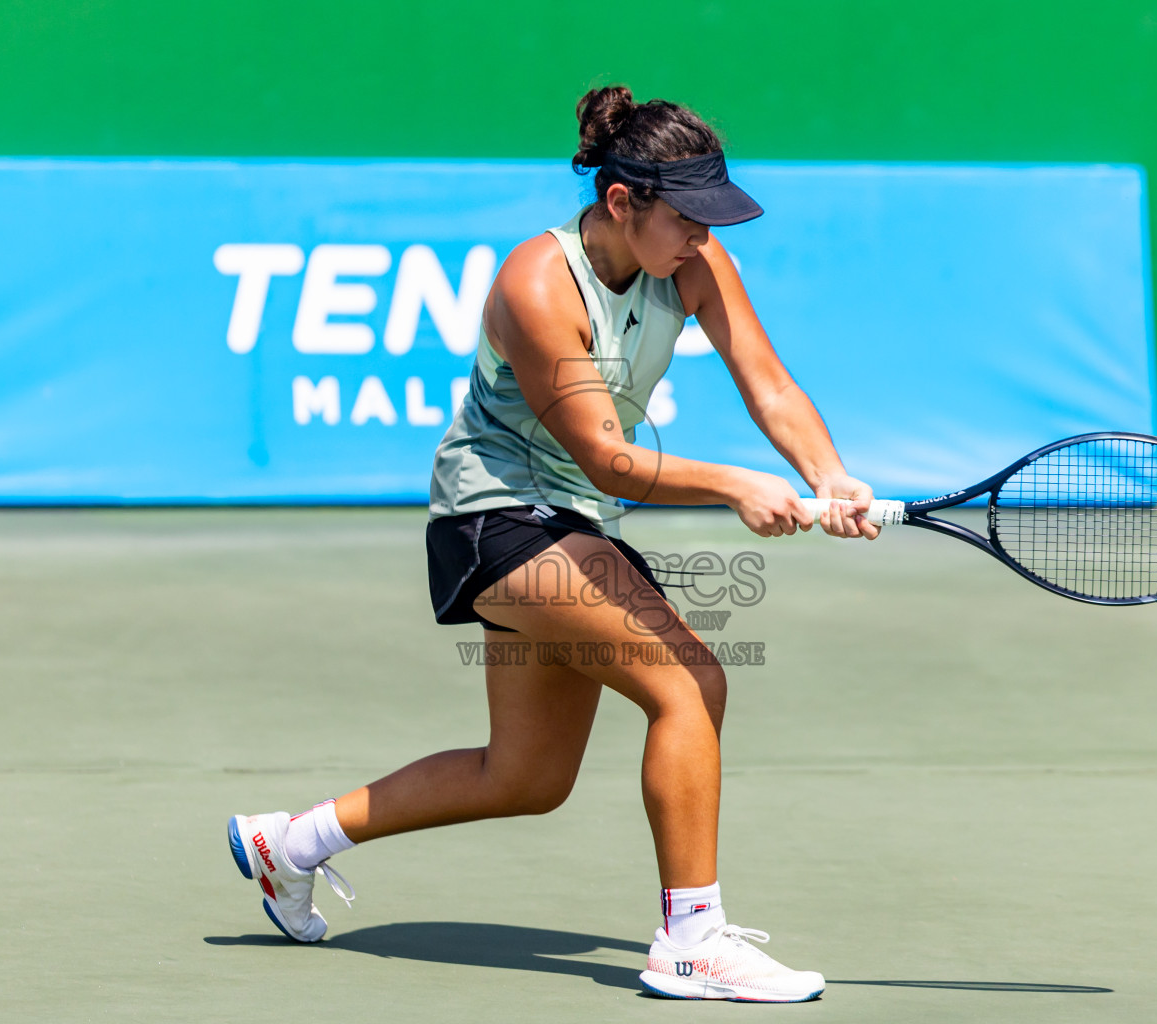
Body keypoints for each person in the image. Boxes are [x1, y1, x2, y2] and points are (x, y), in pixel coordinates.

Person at [227, 85, 879, 1003]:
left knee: (526, 775)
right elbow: (607, 459)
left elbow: (766, 384)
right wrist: (737, 486)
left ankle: (287, 844)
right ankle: (692, 941)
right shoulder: (536, 284)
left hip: (573, 524)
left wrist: (829, 476)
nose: (703, 236)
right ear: (623, 203)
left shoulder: (694, 262)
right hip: (493, 517)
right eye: (689, 218)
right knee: (690, 682)